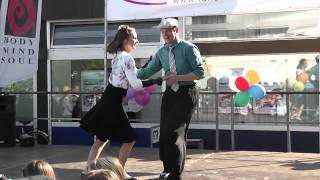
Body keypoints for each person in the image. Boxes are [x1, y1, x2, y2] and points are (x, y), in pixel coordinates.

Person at [79, 25, 162, 180]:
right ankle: (120, 173)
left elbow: (130, 76)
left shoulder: (118, 55)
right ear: (125, 39)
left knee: (101, 139)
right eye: (134, 37)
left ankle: (87, 172)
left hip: (109, 98)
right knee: (129, 138)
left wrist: (144, 68)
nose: (137, 40)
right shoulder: (127, 57)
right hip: (113, 101)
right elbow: (136, 84)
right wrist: (156, 80)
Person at [137, 18, 205, 180]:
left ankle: (174, 174)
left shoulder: (188, 48)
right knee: (165, 133)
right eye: (162, 31)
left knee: (175, 132)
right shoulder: (162, 52)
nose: (165, 34)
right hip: (170, 93)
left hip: (187, 91)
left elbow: (200, 73)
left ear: (176, 30)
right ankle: (168, 169)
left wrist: (178, 77)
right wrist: (129, 67)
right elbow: (145, 72)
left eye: (168, 30)